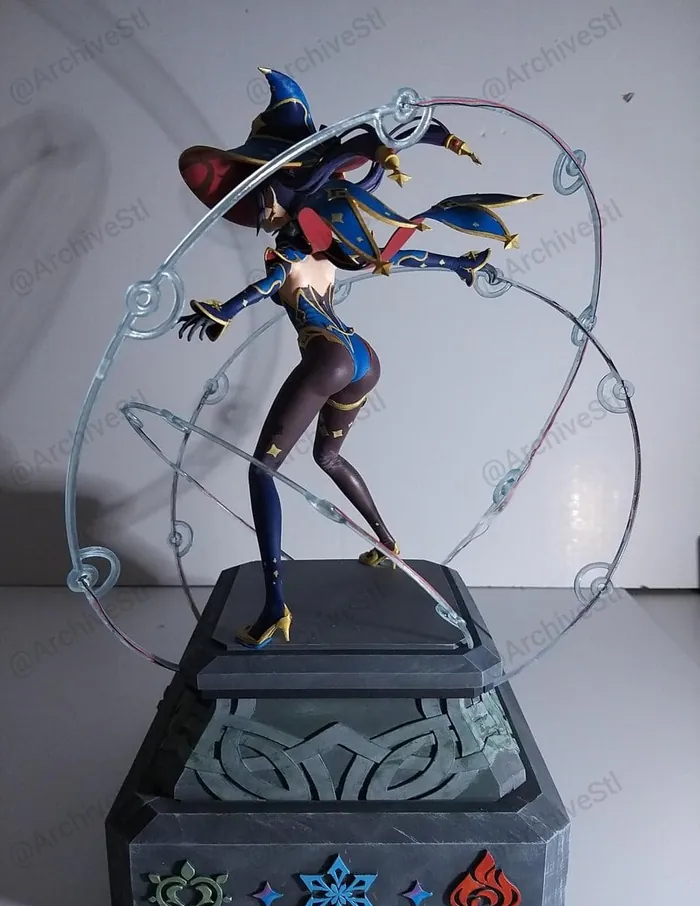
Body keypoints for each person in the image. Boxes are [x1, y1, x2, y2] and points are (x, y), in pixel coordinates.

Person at [178, 68, 539, 648]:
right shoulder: (330, 254)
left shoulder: (287, 252)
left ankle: (274, 607)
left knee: (261, 470)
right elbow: (400, 257)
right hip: (363, 359)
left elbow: (266, 287)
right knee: (327, 456)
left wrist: (223, 310)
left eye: (260, 197)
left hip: (329, 359)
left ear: (280, 196)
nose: (257, 211)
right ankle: (387, 542)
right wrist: (456, 264)